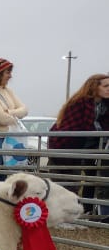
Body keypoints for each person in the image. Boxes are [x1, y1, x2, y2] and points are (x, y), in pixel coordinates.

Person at [49, 73, 109, 213]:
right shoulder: (80, 102)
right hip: (66, 144)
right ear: (94, 87)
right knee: (66, 181)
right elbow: (74, 126)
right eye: (106, 86)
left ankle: (88, 210)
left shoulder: (105, 105)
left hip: (92, 146)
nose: (108, 89)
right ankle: (58, 214)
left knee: (92, 177)